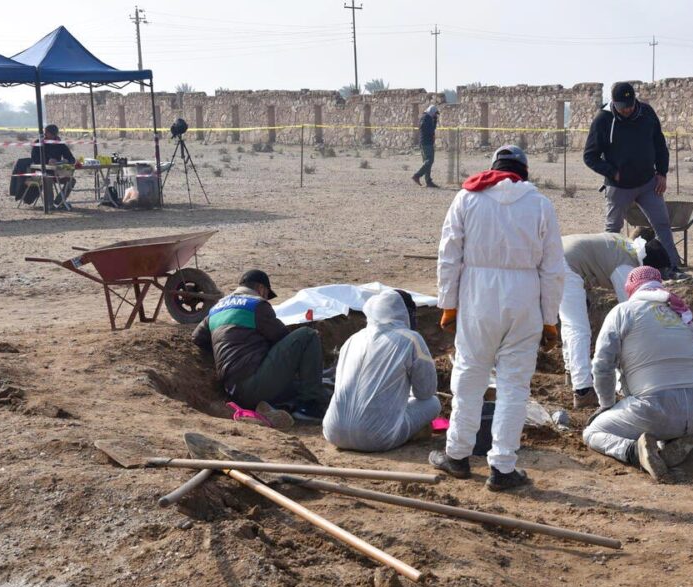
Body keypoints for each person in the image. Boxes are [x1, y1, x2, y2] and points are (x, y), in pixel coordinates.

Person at [431, 144, 565, 491]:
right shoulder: (540, 205)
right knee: (514, 388)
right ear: (524, 172)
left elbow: (449, 255)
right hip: (524, 301)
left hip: (477, 297)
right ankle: (502, 468)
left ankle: (457, 455)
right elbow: (553, 269)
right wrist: (549, 318)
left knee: (469, 379)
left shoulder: (467, 199)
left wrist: (448, 304)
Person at [582, 266, 693, 480]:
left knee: (592, 433)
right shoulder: (680, 313)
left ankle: (634, 452)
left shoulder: (623, 312)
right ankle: (674, 441)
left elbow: (602, 365)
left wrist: (606, 405)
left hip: (655, 407)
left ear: (631, 289)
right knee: (665, 413)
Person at [192, 269, 329, 425]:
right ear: (261, 289)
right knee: (307, 335)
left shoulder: (216, 308)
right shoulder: (256, 304)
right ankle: (310, 408)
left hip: (233, 391)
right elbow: (283, 338)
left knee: (297, 385)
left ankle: (282, 405)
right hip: (253, 385)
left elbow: (197, 337)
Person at [583, 82, 686, 280]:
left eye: (630, 105)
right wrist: (612, 172)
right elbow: (590, 156)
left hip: (648, 183)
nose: (628, 110)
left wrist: (662, 173)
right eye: (623, 107)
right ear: (614, 103)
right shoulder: (603, 120)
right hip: (618, 187)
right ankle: (610, 271)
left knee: (662, 223)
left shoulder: (646, 113)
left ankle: (672, 267)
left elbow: (659, 144)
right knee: (613, 230)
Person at [559, 233, 672, 408]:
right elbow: (632, 314)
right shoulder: (626, 267)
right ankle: (583, 389)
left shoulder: (625, 246)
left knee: (571, 324)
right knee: (577, 328)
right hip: (564, 263)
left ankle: (571, 372)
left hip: (559, 254)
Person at [322, 290, 442, 452]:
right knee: (433, 403)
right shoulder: (411, 338)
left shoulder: (353, 339)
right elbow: (426, 392)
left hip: (333, 433)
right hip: (377, 438)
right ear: (404, 313)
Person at [31, 124, 77, 206]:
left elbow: (72, 159)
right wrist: (47, 161)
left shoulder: (59, 144)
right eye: (46, 133)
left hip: (57, 172)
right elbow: (35, 159)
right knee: (48, 178)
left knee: (71, 181)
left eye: (49, 133)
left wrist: (66, 161)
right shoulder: (38, 143)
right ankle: (49, 204)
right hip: (40, 172)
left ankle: (59, 202)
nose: (46, 135)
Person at [412, 104, 440, 188]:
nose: (435, 115)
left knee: (428, 162)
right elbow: (424, 128)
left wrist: (434, 121)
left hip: (428, 142)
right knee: (429, 161)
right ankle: (417, 175)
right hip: (425, 142)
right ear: (431, 111)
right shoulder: (425, 118)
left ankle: (428, 181)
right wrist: (431, 130)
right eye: (435, 113)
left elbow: (432, 129)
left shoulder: (429, 118)